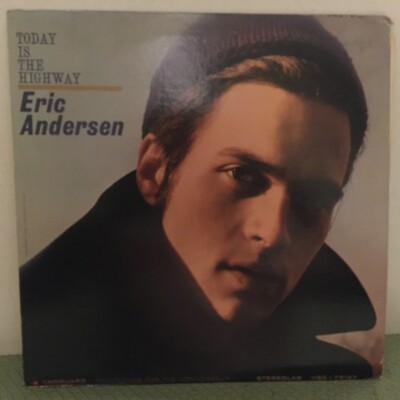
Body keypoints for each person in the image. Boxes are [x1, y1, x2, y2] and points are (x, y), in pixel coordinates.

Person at [20, 14, 376, 384]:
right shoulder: (44, 351)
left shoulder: (331, 376)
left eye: (314, 198)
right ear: (155, 170)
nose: (272, 233)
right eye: (243, 175)